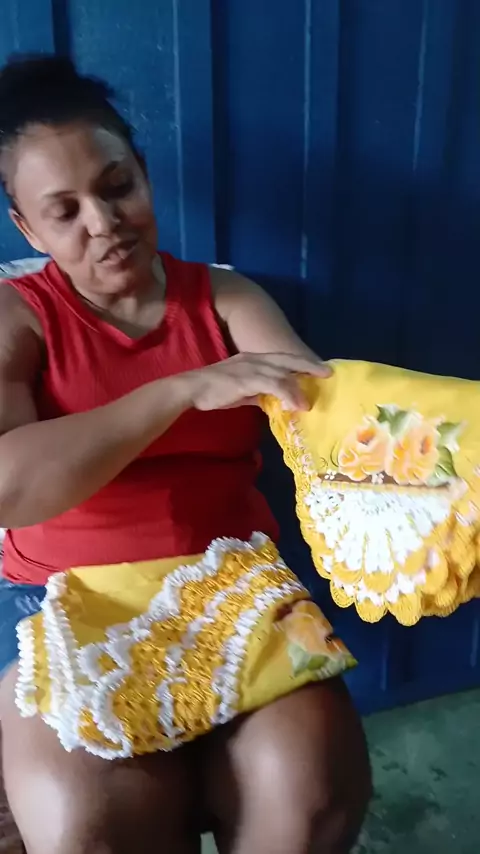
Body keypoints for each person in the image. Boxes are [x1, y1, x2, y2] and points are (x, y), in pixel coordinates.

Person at [0, 55, 371, 854]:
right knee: (91, 830)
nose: (105, 222)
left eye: (118, 186)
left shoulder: (227, 299)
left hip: (232, 581)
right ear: (27, 229)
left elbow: (325, 418)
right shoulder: (16, 318)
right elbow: (7, 487)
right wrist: (179, 391)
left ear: (144, 174)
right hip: (60, 594)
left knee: (312, 794)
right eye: (64, 211)